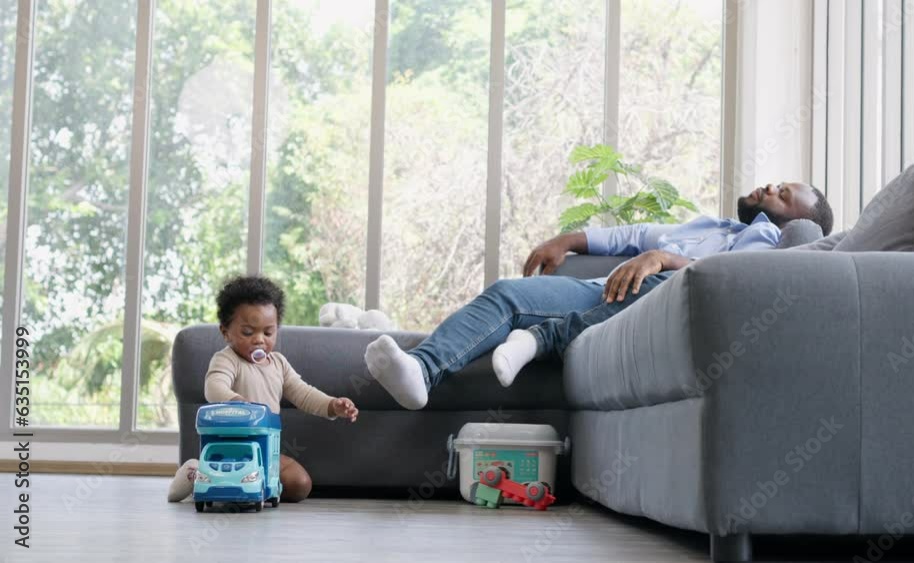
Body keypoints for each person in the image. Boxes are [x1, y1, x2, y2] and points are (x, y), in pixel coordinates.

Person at [363, 182, 834, 410]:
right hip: (601, 294)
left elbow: (734, 280)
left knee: (663, 282)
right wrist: (568, 240)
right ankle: (421, 371)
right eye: (777, 182)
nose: (771, 187)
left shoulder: (770, 246)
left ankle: (543, 338)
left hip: (652, 304)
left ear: (796, 222)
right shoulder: (713, 226)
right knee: (509, 292)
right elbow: (635, 232)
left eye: (785, 193)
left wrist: (663, 260)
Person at [167, 276, 359, 503]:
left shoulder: (278, 363)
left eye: (268, 333)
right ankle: (197, 472)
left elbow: (303, 393)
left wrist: (332, 405)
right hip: (230, 446)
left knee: (300, 484)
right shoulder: (227, 359)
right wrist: (234, 400)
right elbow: (214, 386)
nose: (259, 340)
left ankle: (256, 489)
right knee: (232, 479)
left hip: (267, 447)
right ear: (226, 331)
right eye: (248, 332)